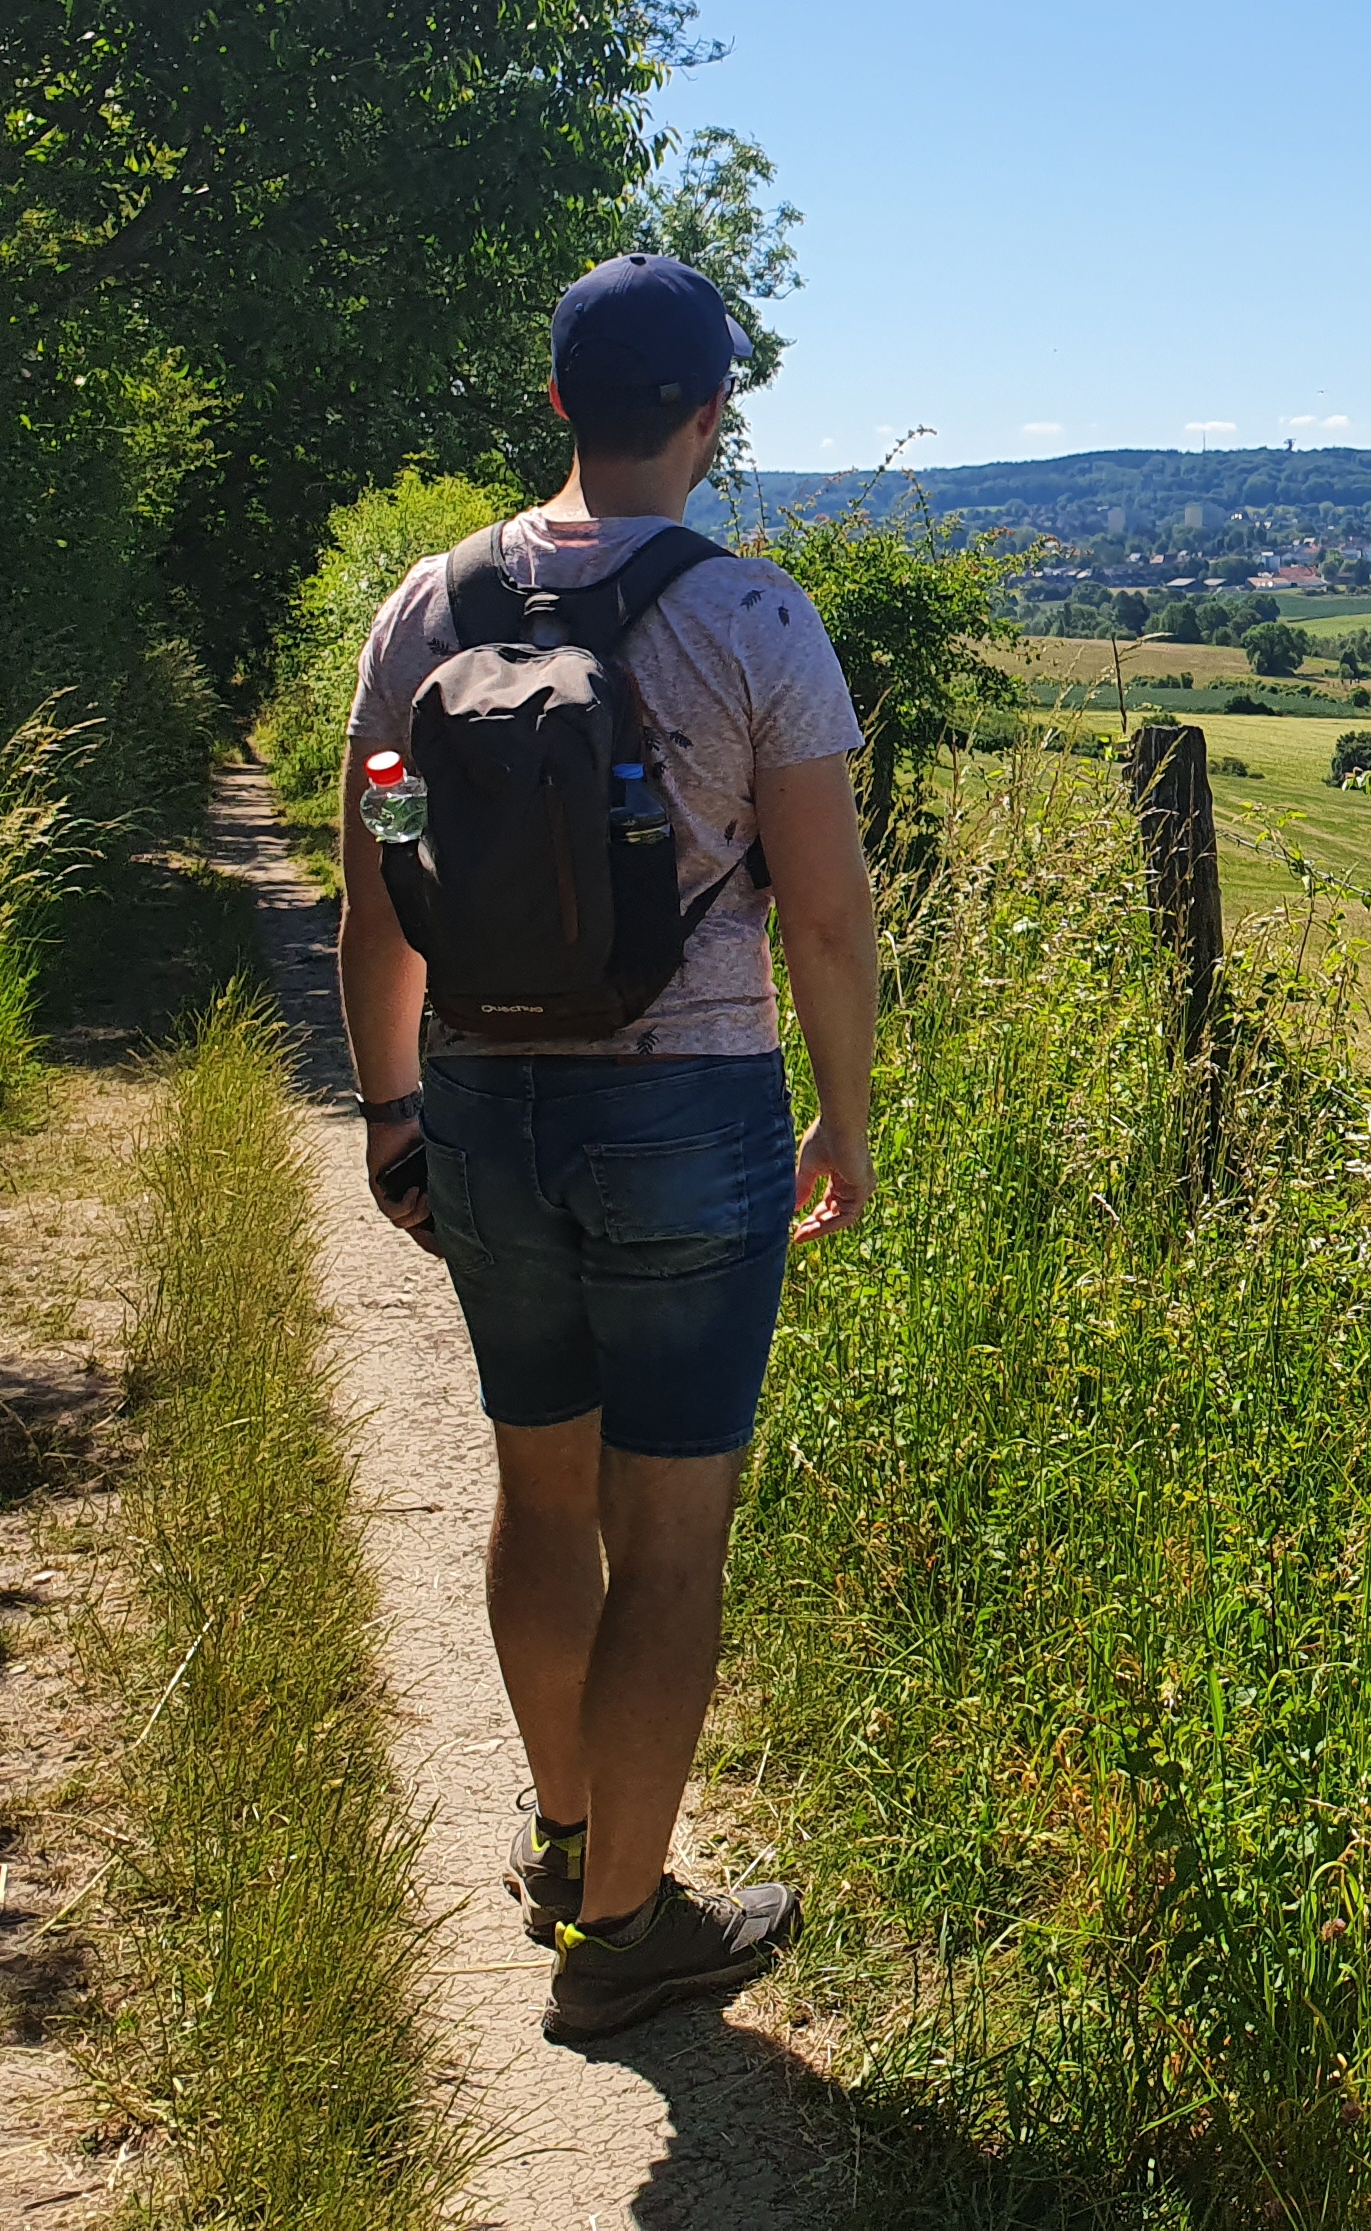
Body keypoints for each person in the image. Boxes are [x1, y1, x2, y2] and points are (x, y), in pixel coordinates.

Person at [337, 249, 879, 2045]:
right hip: (690, 1114)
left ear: (560, 401)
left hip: (487, 1104)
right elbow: (823, 919)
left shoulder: (429, 607)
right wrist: (847, 1123)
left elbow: (375, 899)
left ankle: (569, 1845)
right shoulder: (758, 619)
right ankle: (631, 1935)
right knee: (672, 1537)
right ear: (713, 415)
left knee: (538, 1492)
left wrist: (393, 1107)